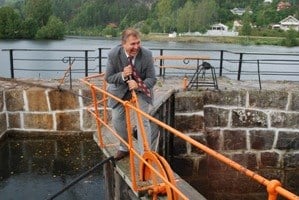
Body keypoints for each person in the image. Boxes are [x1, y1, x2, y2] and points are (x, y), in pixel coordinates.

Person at [105, 28, 157, 160]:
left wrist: (138, 85)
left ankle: (145, 155)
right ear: (123, 44)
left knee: (142, 121)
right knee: (117, 119)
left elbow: (152, 79)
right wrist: (122, 75)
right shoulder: (113, 54)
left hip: (141, 90)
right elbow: (109, 78)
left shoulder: (146, 54)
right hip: (120, 89)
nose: (136, 47)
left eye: (138, 43)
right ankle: (124, 147)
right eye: (132, 44)